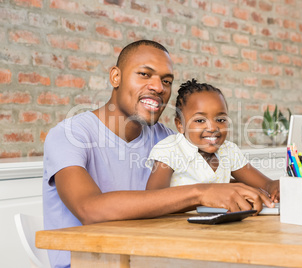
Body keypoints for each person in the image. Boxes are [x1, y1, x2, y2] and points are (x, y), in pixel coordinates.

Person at [42, 40, 274, 268]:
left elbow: (201, 180)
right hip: (89, 262)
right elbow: (90, 209)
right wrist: (201, 193)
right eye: (144, 74)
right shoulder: (70, 135)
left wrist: (252, 190)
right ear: (116, 77)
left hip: (148, 256)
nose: (159, 87)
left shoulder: (166, 138)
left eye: (166, 80)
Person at [145, 79, 280, 204]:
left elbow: (267, 185)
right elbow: (153, 200)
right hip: (178, 227)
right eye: (200, 120)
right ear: (180, 124)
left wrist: (276, 188)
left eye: (221, 120)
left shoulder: (228, 150)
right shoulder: (170, 150)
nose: (213, 128)